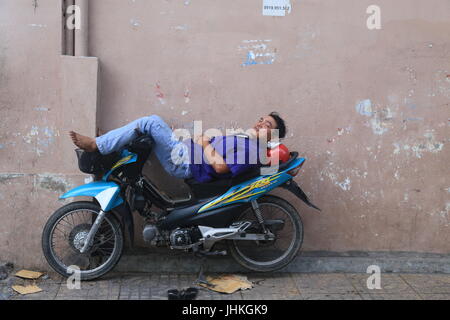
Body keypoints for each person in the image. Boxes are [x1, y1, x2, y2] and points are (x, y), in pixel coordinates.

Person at [70, 112, 287, 183]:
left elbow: (221, 168)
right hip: (186, 153)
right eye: (260, 119)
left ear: (271, 138)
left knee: (151, 122)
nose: (259, 123)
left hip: (186, 163)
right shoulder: (245, 140)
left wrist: (203, 144)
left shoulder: (251, 150)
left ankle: (97, 145)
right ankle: (110, 143)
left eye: (267, 125)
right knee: (147, 131)